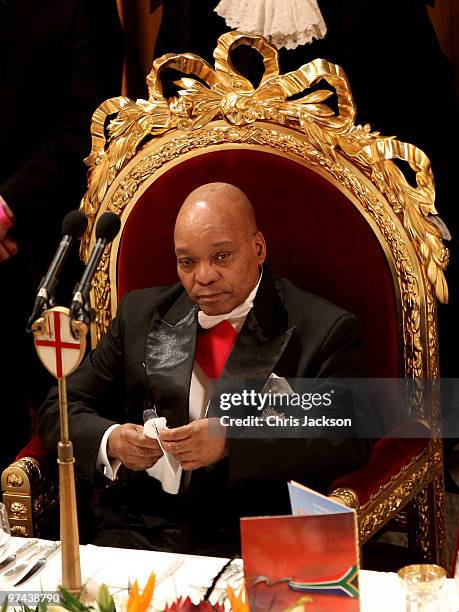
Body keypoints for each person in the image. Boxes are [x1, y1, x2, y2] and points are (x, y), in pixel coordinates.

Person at [37, 182, 370, 556]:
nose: (204, 276)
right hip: (138, 534)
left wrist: (232, 438)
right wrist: (111, 439)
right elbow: (59, 408)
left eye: (222, 256)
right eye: (187, 262)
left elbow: (350, 431)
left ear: (258, 248)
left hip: (257, 539)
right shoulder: (140, 314)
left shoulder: (324, 329)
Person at [0, 0, 123, 469]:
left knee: (50, 433)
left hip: (46, 246)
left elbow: (86, 129)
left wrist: (8, 209)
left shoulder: (80, 9)